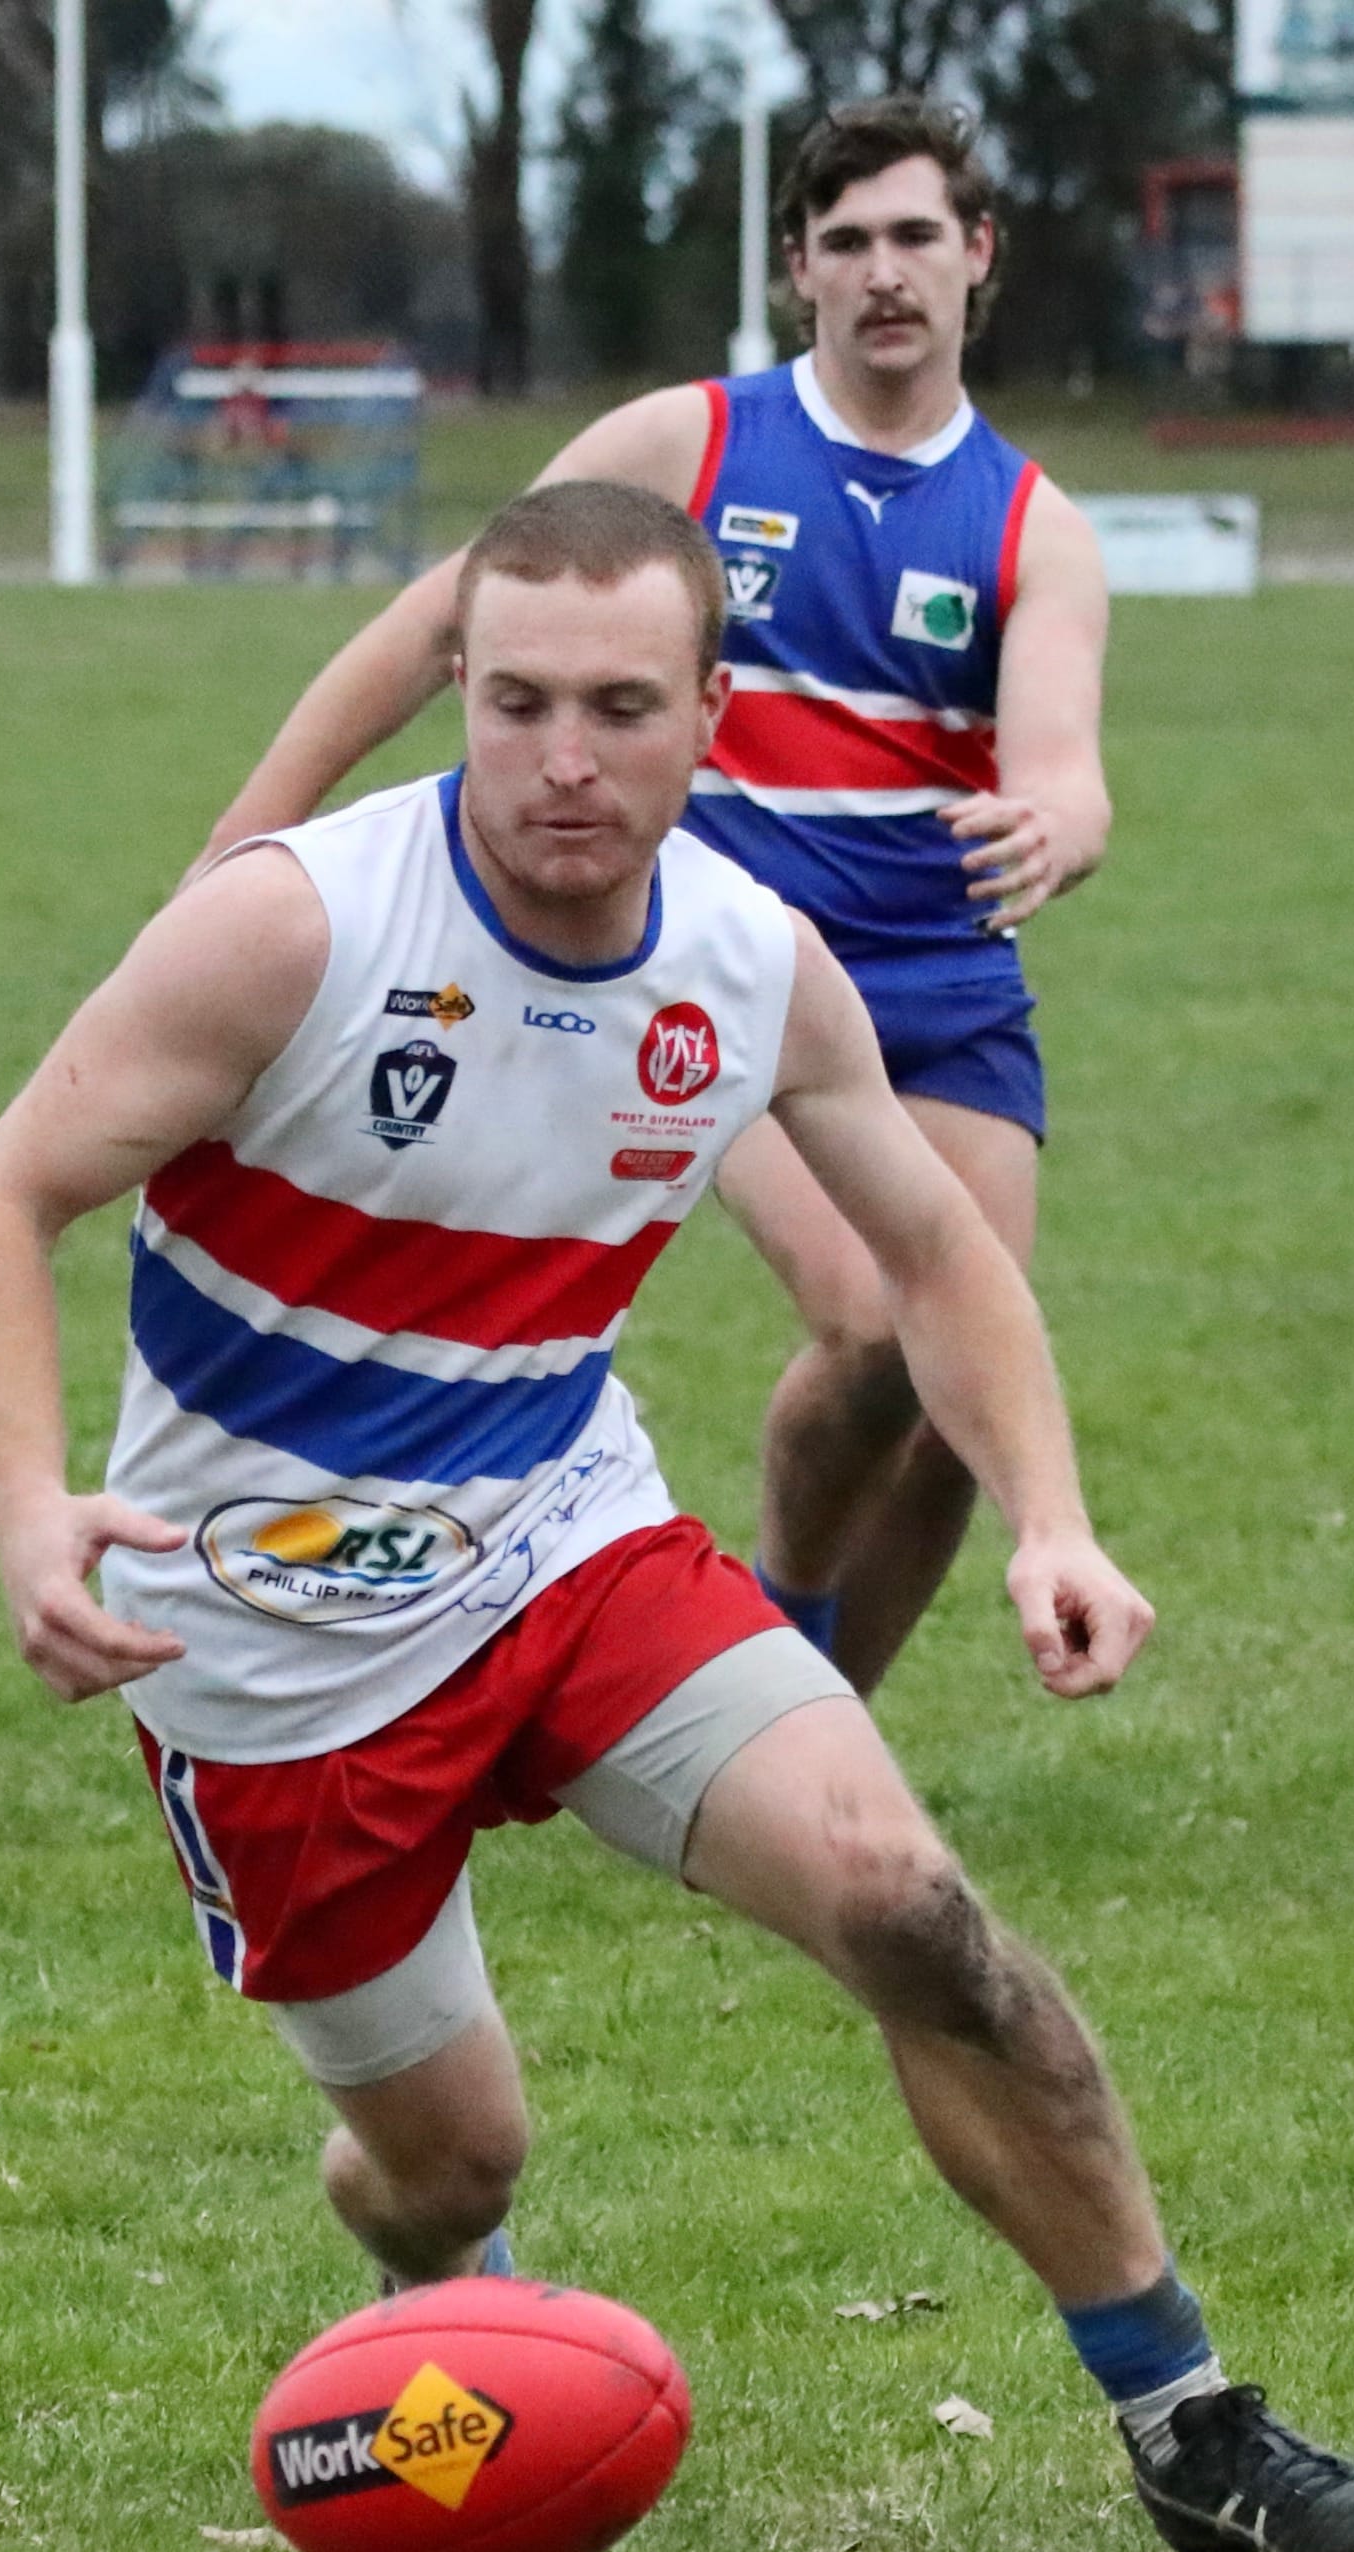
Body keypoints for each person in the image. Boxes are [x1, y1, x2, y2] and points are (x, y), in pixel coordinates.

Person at [0, 481, 1354, 2552]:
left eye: (620, 707)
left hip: (566, 1540)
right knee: (452, 2165)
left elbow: (937, 1250)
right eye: (518, 701)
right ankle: (436, 2274)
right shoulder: (297, 927)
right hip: (265, 1628)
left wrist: (1049, 1520)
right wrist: (25, 1507)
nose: (564, 757)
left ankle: (1187, 2421)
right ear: (459, 690)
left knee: (909, 1904)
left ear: (708, 716)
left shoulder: (746, 960)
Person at [192, 98, 1108, 1696]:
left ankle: (815, 1709)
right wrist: (245, 838)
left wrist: (1053, 827)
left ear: (976, 255)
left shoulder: (1034, 526)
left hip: (940, 982)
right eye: (844, 242)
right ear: (796, 269)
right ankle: (782, 1636)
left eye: (913, 236)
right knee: (874, 1323)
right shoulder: (686, 444)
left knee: (959, 1395)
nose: (881, 272)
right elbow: (440, 627)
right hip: (725, 976)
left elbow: (1063, 768)